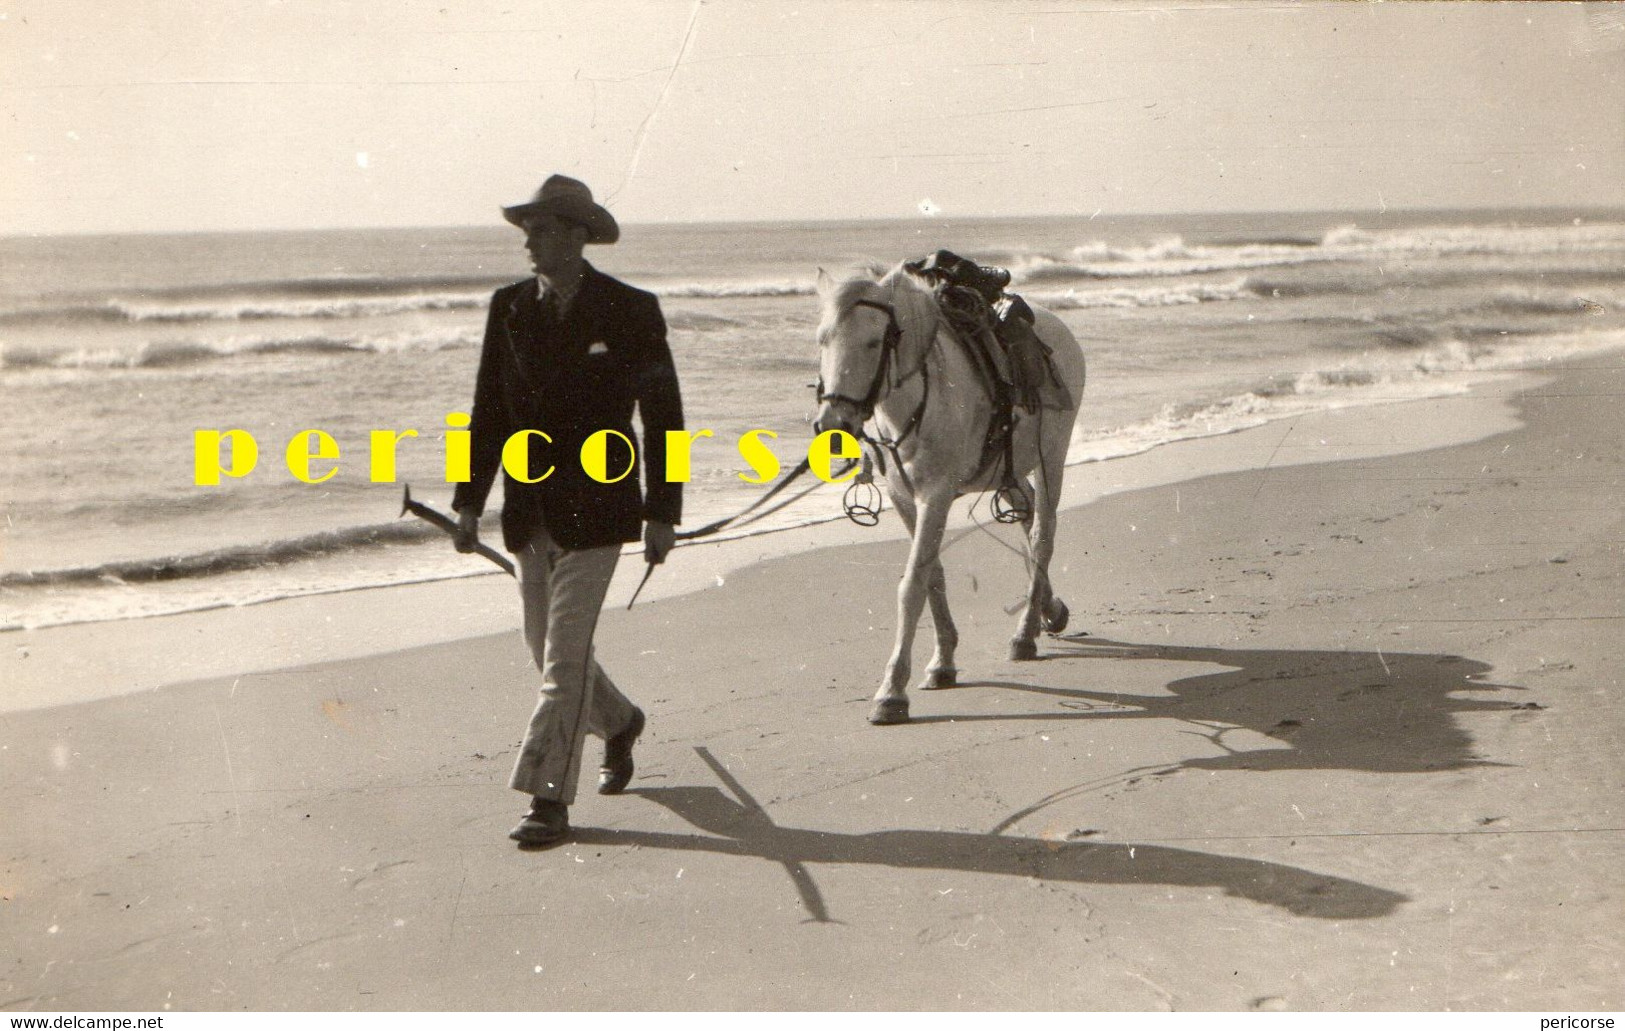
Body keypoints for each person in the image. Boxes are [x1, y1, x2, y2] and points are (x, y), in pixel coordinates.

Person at [452, 174, 684, 849]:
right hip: (528, 511)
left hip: (602, 507)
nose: (529, 241)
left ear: (578, 237)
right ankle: (618, 722)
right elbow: (487, 413)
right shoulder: (508, 308)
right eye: (526, 229)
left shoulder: (630, 309)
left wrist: (661, 512)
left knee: (562, 659)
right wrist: (469, 502)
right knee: (548, 650)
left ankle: (547, 798)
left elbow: (662, 418)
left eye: (543, 229)